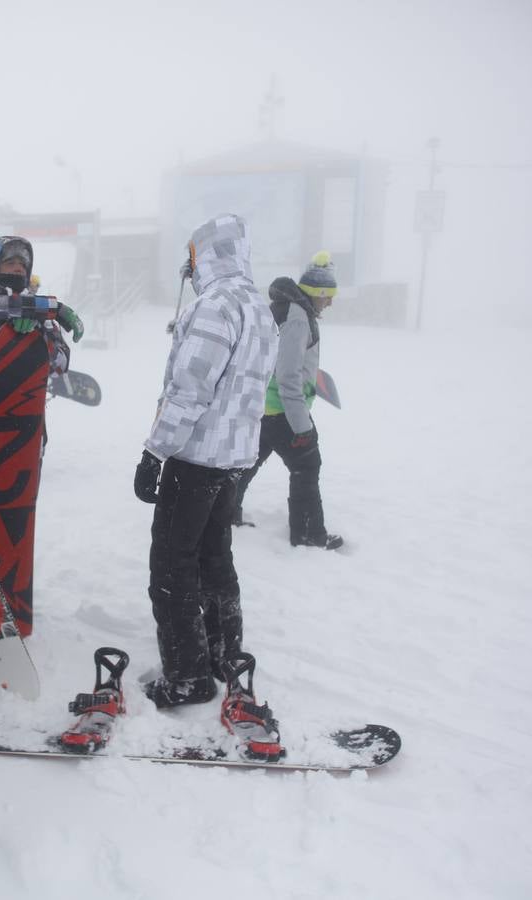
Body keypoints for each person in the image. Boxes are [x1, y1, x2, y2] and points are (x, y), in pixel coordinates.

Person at [133, 213, 279, 716]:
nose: (188, 269)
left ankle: (189, 675)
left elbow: (190, 389)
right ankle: (223, 653)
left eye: (192, 259)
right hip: (234, 458)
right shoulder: (257, 307)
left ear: (206, 256)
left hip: (196, 458)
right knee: (215, 558)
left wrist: (155, 451)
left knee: (172, 566)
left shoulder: (215, 306)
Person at [0, 235, 83, 524]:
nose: (18, 270)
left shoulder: (40, 315)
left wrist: (37, 334)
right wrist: (53, 308)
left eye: (23, 264)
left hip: (24, 441)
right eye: (9, 262)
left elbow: (60, 362)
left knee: (12, 535)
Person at [233, 251, 344, 550]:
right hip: (283, 410)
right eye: (328, 295)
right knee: (307, 465)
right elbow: (287, 376)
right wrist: (302, 427)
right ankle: (308, 533)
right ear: (317, 293)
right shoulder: (297, 318)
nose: (331, 302)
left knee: (247, 463)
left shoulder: (285, 309)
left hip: (264, 406)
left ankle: (225, 513)